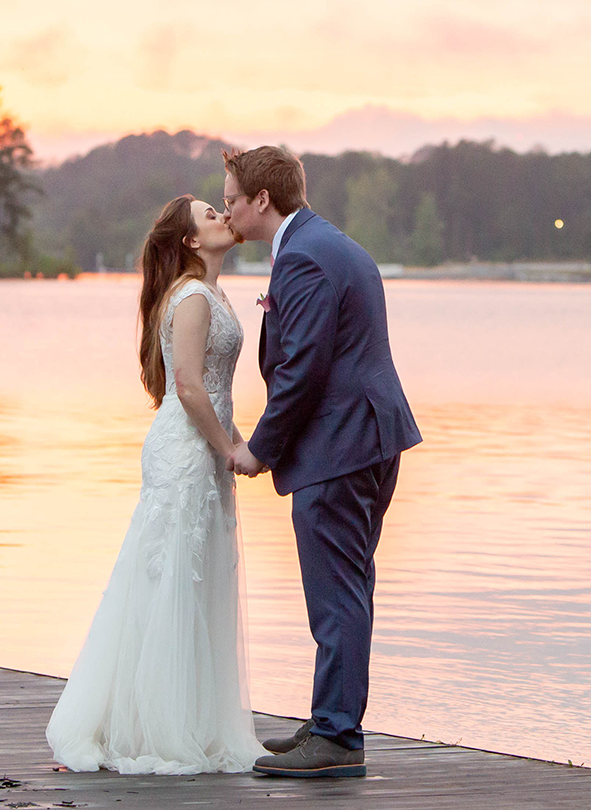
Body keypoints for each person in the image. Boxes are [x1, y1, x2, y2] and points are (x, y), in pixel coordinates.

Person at [45, 196, 268, 775]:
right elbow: (191, 388)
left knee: (195, 579)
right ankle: (153, 726)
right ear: (191, 242)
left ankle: (190, 717)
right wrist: (229, 449)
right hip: (187, 450)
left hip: (205, 444)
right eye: (210, 215)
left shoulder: (212, 293)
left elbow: (212, 388)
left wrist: (240, 444)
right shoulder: (192, 297)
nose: (224, 216)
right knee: (171, 577)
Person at [221, 145, 422, 779]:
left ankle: (336, 737)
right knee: (349, 587)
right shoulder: (329, 243)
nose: (226, 209)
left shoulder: (304, 258)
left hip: (339, 446)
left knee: (336, 593)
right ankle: (330, 719)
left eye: (231, 198)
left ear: (262, 199)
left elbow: (302, 372)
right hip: (370, 439)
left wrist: (258, 449)